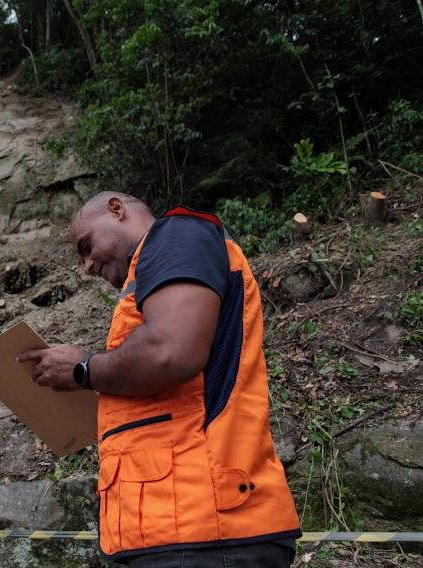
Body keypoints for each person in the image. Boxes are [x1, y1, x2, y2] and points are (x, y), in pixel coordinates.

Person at [18, 192, 301, 567]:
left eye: (86, 246)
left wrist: (82, 370)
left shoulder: (177, 235)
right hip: (180, 531)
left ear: (116, 210)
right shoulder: (153, 274)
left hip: (206, 529)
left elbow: (170, 352)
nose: (86, 266)